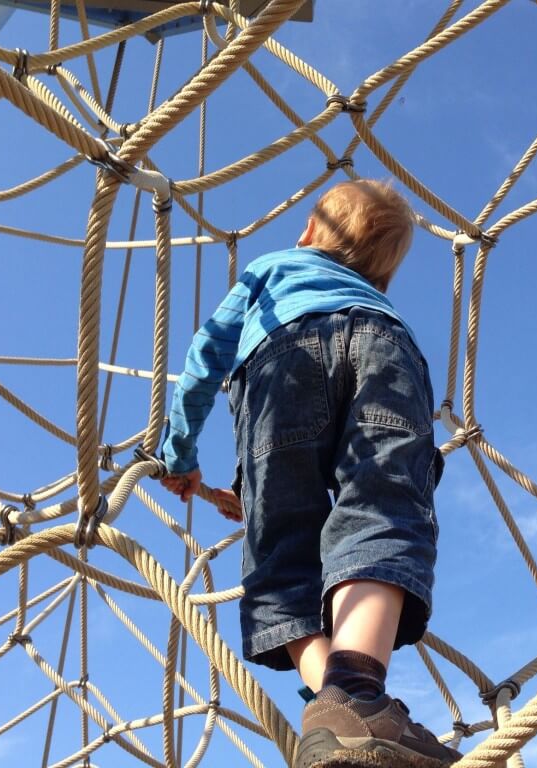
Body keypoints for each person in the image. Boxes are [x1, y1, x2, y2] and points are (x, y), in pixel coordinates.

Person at [160, 179, 460, 767]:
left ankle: (346, 702)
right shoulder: (375, 297)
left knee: (281, 550)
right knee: (381, 506)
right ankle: (353, 694)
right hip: (389, 349)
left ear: (309, 232)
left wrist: (180, 453)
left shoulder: (272, 269)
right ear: (382, 273)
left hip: (282, 356)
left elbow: (206, 354)